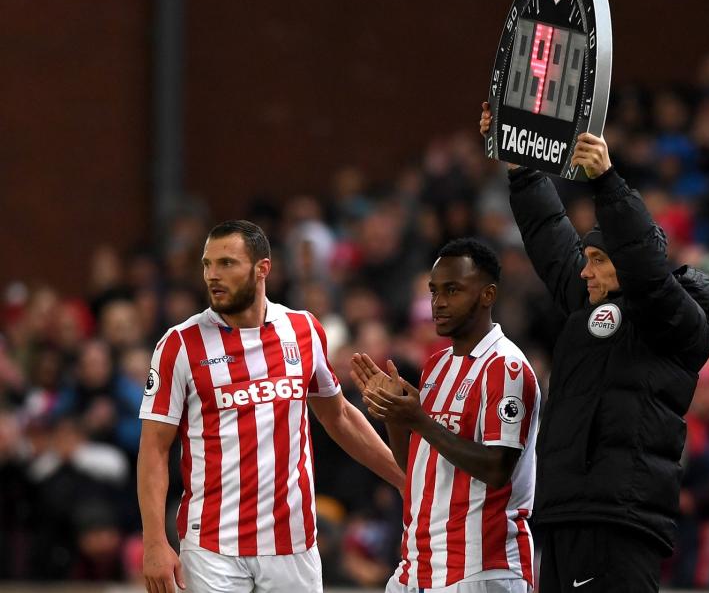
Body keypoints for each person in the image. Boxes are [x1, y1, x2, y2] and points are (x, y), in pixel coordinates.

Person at [480, 104, 709, 592]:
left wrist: (608, 182)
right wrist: (521, 166)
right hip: (563, 511)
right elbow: (550, 238)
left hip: (618, 516)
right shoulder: (588, 305)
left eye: (597, 259)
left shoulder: (673, 325)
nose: (584, 269)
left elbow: (645, 266)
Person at [137, 220, 404, 593]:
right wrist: (154, 542)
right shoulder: (179, 345)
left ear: (263, 268)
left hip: (293, 543)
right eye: (207, 264)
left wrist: (404, 481)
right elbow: (154, 448)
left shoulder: (304, 330)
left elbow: (339, 415)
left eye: (227, 263)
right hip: (212, 546)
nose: (213, 275)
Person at [351, 238, 540, 592]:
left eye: (452, 290)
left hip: (482, 569)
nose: (438, 303)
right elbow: (417, 468)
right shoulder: (437, 365)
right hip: (418, 567)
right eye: (434, 291)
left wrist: (419, 420)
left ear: (487, 295)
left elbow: (498, 469)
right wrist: (394, 415)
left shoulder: (507, 368)